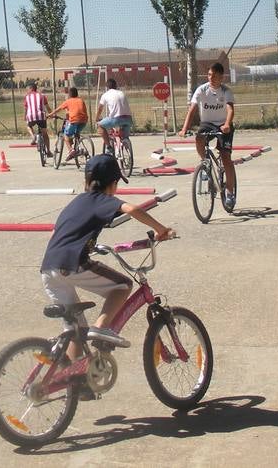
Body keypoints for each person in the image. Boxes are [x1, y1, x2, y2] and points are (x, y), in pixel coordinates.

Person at [41, 153, 175, 370]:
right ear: (113, 183)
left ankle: (73, 377)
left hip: (49, 268)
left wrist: (89, 246)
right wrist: (162, 230)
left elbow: (62, 234)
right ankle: (101, 328)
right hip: (72, 263)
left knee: (75, 330)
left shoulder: (75, 202)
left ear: (86, 180)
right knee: (123, 285)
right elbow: (132, 209)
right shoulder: (102, 200)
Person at [178, 62, 238, 209]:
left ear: (221, 77)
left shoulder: (226, 91)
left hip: (223, 124)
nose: (211, 78)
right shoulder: (201, 89)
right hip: (207, 123)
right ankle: (205, 162)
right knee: (199, 138)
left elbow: (230, 109)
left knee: (226, 157)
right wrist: (184, 128)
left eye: (215, 76)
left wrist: (227, 124)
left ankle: (230, 193)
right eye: (210, 75)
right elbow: (192, 109)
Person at [46, 87, 89, 164]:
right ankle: (79, 148)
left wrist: (49, 115)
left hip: (74, 121)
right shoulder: (81, 100)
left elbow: (58, 109)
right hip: (84, 121)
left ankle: (71, 150)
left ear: (70, 94)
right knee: (76, 133)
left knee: (66, 135)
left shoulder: (68, 101)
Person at [95, 77, 133, 151]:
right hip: (128, 119)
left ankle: (109, 147)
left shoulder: (105, 95)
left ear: (107, 87)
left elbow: (100, 109)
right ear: (116, 86)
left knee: (100, 126)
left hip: (116, 119)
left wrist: (97, 118)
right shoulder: (121, 93)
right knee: (125, 136)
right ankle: (126, 146)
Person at [23, 82, 51, 157]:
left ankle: (33, 136)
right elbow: (47, 107)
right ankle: (48, 151)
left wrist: (25, 117)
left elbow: (26, 109)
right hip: (41, 116)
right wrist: (51, 114)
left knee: (28, 126)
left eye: (27, 89)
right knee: (45, 134)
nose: (27, 91)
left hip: (31, 116)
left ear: (31, 88)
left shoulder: (27, 97)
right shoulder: (42, 96)